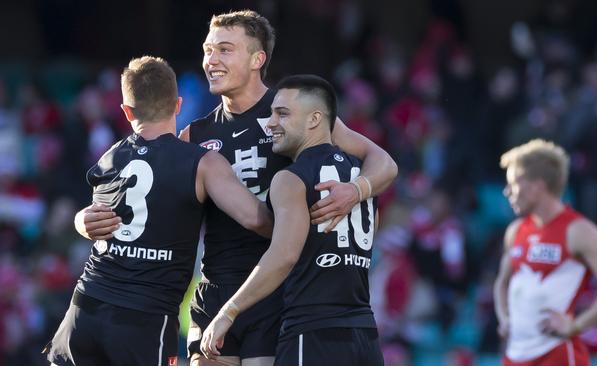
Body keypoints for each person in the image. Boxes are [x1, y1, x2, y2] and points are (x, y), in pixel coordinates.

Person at [75, 9, 398, 366]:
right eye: (207, 50)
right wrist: (84, 219)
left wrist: (355, 191)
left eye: (225, 49)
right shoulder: (194, 135)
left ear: (258, 58)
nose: (211, 59)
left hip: (275, 291)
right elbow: (146, 204)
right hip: (214, 288)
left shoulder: (293, 113)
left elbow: (384, 162)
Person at [46, 56, 273, 366]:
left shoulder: (110, 158)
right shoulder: (201, 162)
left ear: (126, 111)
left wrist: (78, 222)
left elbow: (92, 217)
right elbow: (256, 218)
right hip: (145, 319)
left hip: (86, 308)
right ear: (177, 104)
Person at [201, 74, 384, 366]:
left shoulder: (289, 179)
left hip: (312, 334)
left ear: (314, 120)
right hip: (364, 334)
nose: (271, 123)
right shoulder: (361, 178)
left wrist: (228, 312)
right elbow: (375, 222)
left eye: (282, 114)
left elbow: (284, 255)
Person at [493, 139, 597, 366]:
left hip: (556, 354)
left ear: (537, 186)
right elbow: (502, 282)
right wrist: (505, 319)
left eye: (513, 184)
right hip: (515, 355)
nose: (507, 192)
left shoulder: (578, 231)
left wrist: (576, 326)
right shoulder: (516, 231)